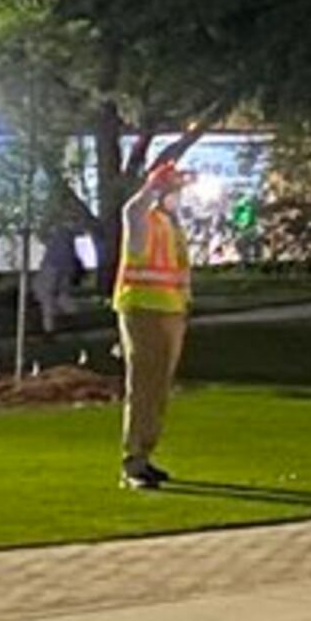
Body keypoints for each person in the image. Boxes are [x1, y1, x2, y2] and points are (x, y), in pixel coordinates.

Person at [111, 162, 194, 490]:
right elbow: (132, 208)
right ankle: (133, 462)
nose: (180, 197)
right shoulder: (142, 218)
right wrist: (153, 187)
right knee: (144, 386)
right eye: (176, 190)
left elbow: (181, 272)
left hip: (171, 311)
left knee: (158, 389)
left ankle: (144, 455)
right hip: (142, 309)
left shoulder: (172, 225)